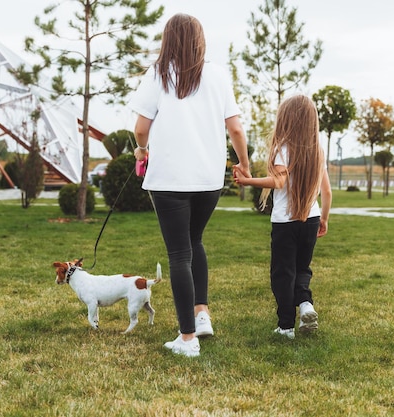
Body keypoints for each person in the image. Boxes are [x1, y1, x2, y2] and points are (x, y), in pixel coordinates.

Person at [129, 13, 250, 357]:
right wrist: (243, 163)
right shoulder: (217, 74)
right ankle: (201, 315)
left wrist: (141, 150)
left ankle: (186, 340)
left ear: (168, 39)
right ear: (199, 39)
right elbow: (237, 129)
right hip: (209, 180)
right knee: (195, 241)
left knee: (179, 253)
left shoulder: (158, 74)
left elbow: (140, 128)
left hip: (169, 180)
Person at [234, 94, 332, 340]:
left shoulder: (284, 148)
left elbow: (278, 181)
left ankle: (286, 326)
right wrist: (324, 218)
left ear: (285, 119)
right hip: (311, 218)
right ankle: (306, 305)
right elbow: (327, 191)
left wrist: (247, 180)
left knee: (283, 273)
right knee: (302, 268)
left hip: (285, 223)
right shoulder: (317, 150)